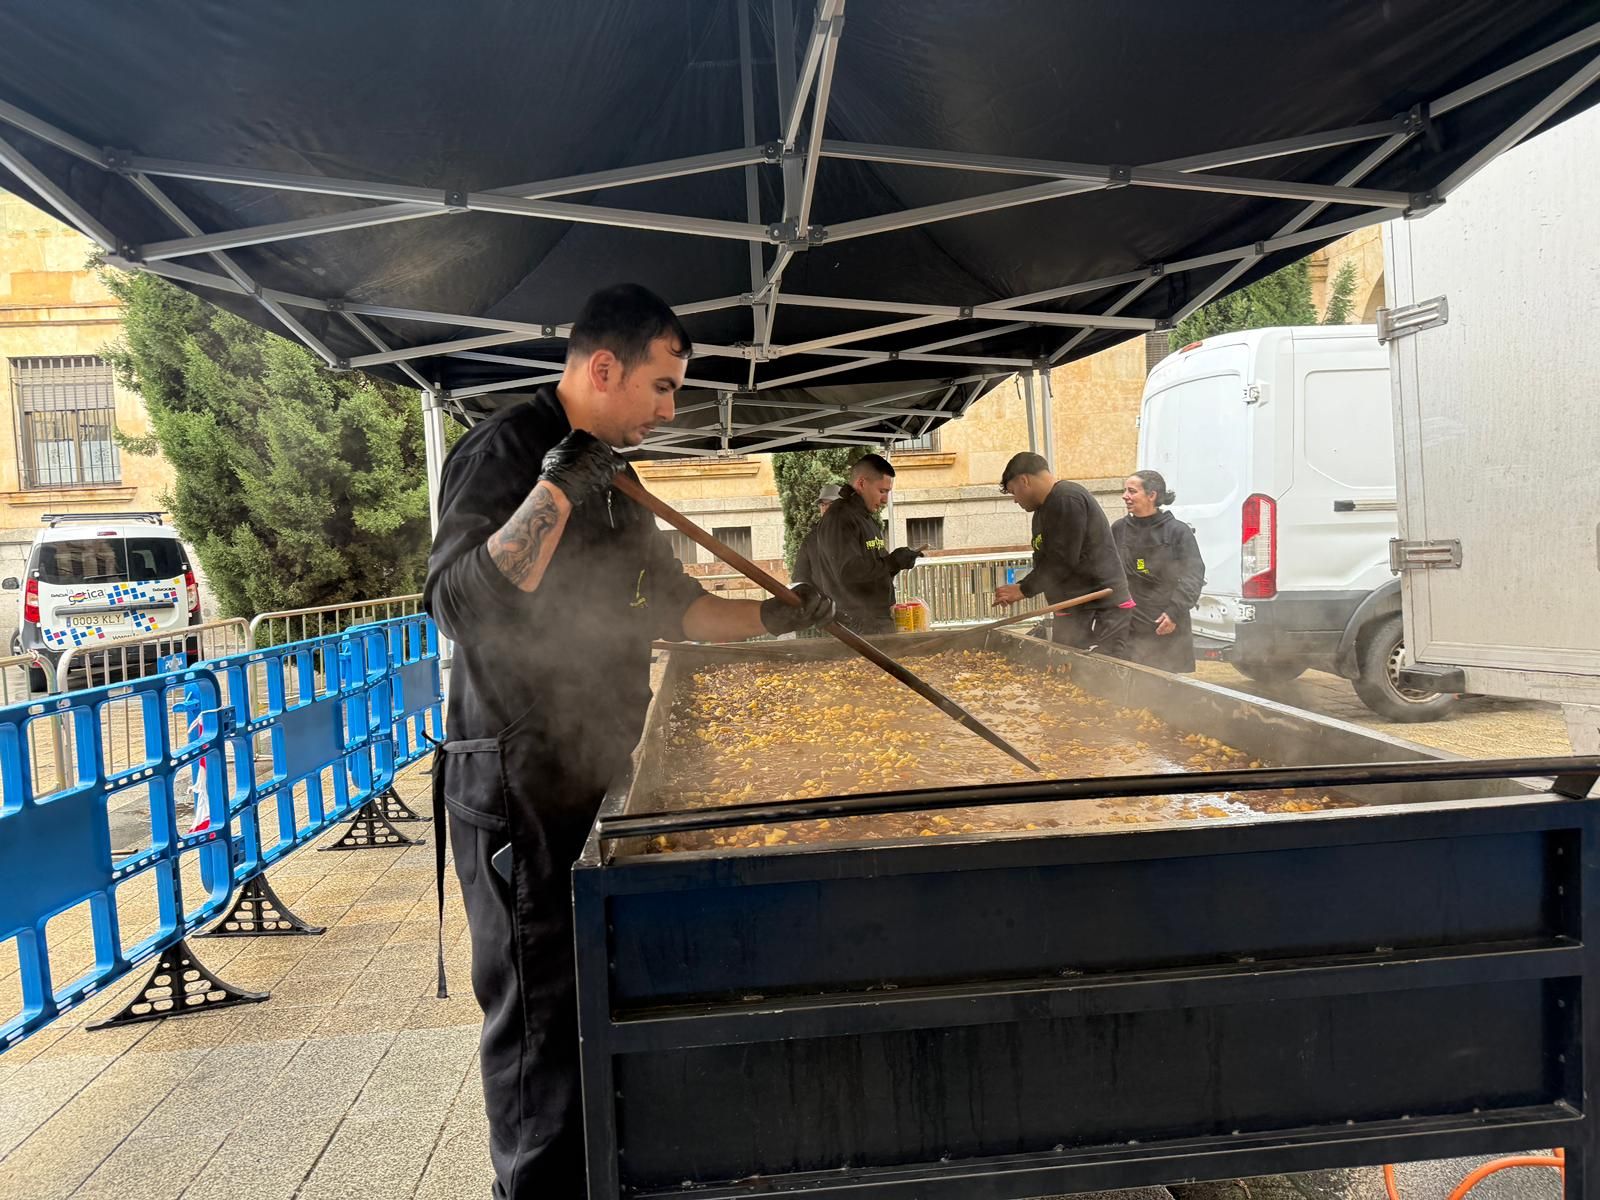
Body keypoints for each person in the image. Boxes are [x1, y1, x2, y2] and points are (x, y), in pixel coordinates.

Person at [424, 283, 836, 1199]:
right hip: (517, 782)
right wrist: (556, 490)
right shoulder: (505, 450)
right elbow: (457, 607)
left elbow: (678, 607)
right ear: (602, 367)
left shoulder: (621, 480)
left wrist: (778, 615)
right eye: (661, 386)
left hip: (602, 764)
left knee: (597, 995)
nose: (669, 409)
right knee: (539, 1014)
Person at [991, 451, 1132, 654]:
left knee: (1098, 677)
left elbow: (1062, 560)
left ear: (1024, 480)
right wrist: (1022, 586)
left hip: (1099, 606)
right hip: (1072, 607)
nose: (1015, 500)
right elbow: (1046, 561)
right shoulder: (1042, 510)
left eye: (1014, 491)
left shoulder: (1066, 498)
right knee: (1067, 673)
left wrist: (1023, 589)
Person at [804, 454, 923, 633]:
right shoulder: (840, 517)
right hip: (857, 625)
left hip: (874, 620)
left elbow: (873, 568)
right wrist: (891, 561)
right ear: (861, 484)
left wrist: (898, 563)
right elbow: (850, 571)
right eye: (882, 491)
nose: (885, 500)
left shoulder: (864, 517)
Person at [1112, 469, 1206, 672]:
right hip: (1129, 624)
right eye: (1125, 491)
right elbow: (1108, 572)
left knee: (1164, 693)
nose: (1124, 496)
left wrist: (1173, 613)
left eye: (1131, 491)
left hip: (1165, 623)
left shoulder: (1177, 531)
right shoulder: (1119, 529)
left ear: (1152, 495)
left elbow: (1193, 576)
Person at [789, 479, 843, 587]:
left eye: (831, 504)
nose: (826, 508)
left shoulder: (858, 534)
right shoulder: (811, 540)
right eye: (823, 505)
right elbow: (800, 576)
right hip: (825, 602)